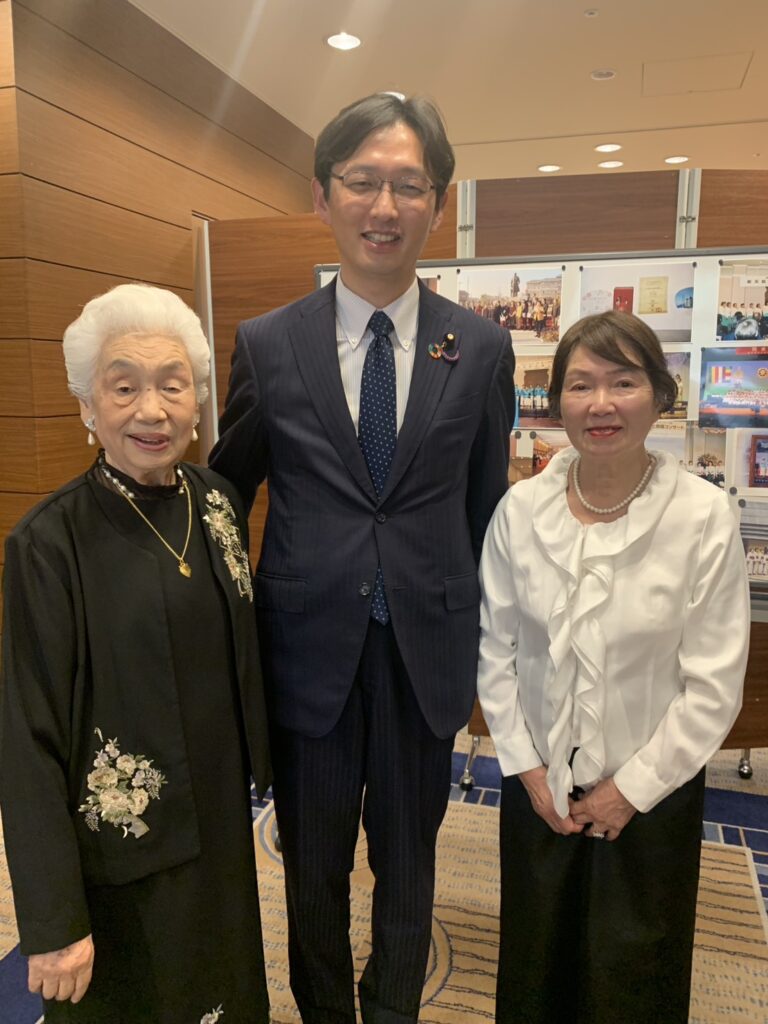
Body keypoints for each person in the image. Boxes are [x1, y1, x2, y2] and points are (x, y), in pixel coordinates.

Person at [210, 92, 516, 1023]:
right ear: (323, 196)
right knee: (311, 870)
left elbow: (485, 509)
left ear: (439, 205)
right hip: (306, 656)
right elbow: (226, 495)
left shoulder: (482, 347)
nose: (385, 207)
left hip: (426, 652)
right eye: (363, 182)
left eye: (409, 187)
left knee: (410, 866)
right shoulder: (270, 343)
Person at [0, 284, 271, 1024]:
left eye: (172, 386)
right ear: (88, 406)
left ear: (198, 401)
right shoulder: (48, 544)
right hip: (122, 846)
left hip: (219, 825)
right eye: (124, 388)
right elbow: (26, 739)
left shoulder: (215, 500)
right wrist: (52, 923)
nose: (152, 410)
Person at [477, 309, 749, 1024]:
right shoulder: (519, 511)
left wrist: (628, 790)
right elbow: (496, 651)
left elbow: (713, 686)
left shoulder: (702, 516)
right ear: (556, 402)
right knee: (535, 971)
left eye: (623, 382)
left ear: (660, 396)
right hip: (540, 792)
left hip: (650, 797)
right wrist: (526, 769)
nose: (601, 404)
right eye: (580, 385)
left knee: (633, 980)